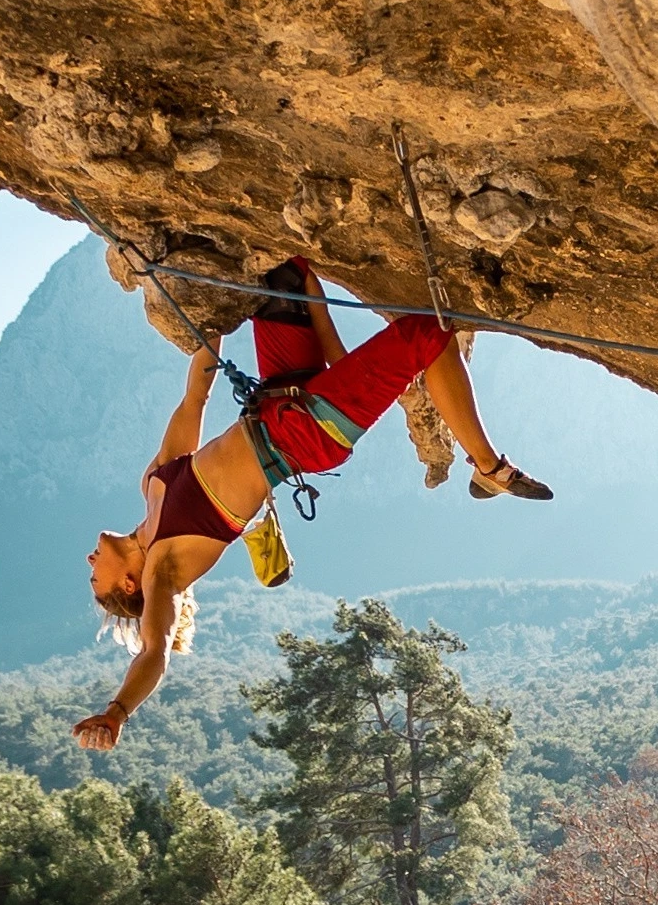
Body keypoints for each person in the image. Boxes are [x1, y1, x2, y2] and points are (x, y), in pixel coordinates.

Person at [74, 258, 550, 751]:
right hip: (307, 436)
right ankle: (489, 468)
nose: (90, 560)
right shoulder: (164, 572)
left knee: (283, 275)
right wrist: (117, 713)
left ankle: (335, 356)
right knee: (429, 332)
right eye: (95, 575)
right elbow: (154, 653)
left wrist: (208, 324)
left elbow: (194, 396)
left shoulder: (153, 482)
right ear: (128, 583)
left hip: (280, 394)